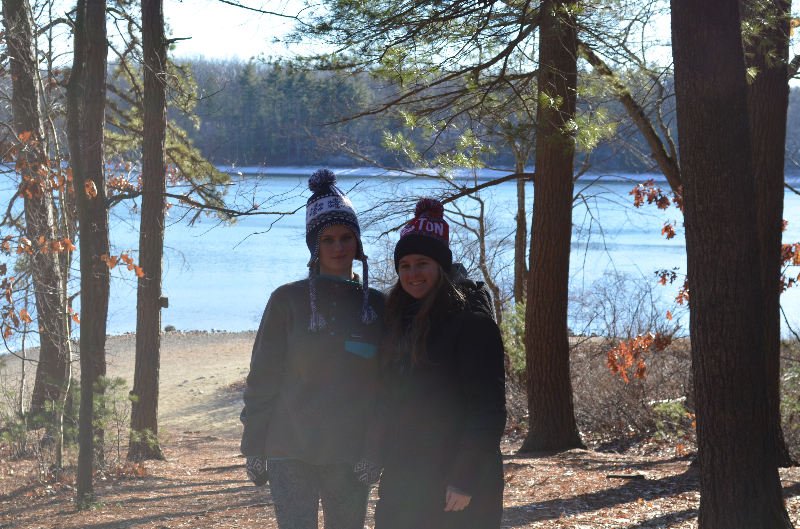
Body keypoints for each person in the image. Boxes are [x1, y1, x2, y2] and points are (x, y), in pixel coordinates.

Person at [240, 168, 384, 529]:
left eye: (346, 238)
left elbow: (388, 389)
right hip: (288, 450)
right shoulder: (286, 300)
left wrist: (375, 450)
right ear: (314, 246)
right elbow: (262, 377)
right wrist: (253, 446)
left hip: (351, 455)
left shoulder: (378, 306)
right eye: (328, 239)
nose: (338, 248)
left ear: (358, 243)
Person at [368, 198, 507, 529]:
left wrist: (465, 481)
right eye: (404, 266)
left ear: (441, 267)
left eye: (422, 263)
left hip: (455, 485)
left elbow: (487, 410)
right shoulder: (397, 320)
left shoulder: (472, 323)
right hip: (405, 478)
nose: (413, 273)